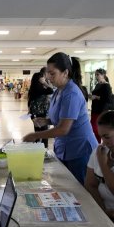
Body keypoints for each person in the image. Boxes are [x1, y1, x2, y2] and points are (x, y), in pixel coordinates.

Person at [23, 52, 98, 185]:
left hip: (79, 149)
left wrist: (36, 135)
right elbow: (62, 117)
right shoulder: (59, 90)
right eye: (48, 73)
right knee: (66, 187)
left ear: (65, 73)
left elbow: (63, 129)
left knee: (79, 188)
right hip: (65, 147)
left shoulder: (71, 94)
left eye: (52, 74)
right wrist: (46, 121)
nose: (49, 77)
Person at [27, 71, 54, 148]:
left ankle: (36, 148)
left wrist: (30, 113)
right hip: (41, 114)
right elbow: (51, 90)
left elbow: (29, 102)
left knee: (37, 132)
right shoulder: (40, 89)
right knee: (44, 134)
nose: (44, 78)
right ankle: (44, 150)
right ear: (39, 79)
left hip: (34, 114)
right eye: (42, 77)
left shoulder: (33, 88)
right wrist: (45, 82)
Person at [90, 68, 113, 143]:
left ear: (103, 75)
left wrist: (96, 97)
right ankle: (97, 142)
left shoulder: (106, 86)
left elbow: (108, 99)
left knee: (97, 127)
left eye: (98, 74)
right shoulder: (98, 84)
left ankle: (100, 142)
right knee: (93, 126)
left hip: (101, 110)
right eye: (95, 75)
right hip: (95, 109)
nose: (96, 76)